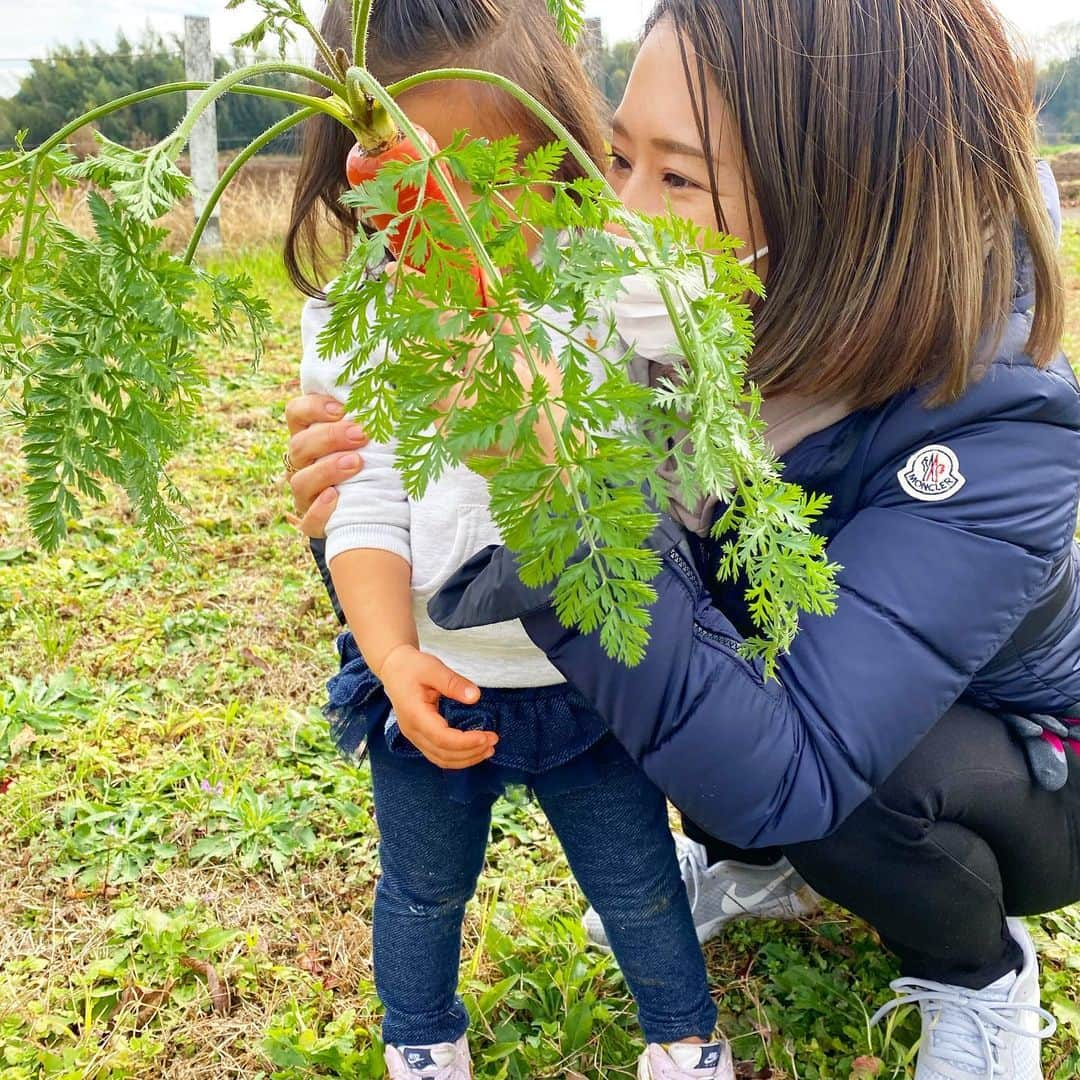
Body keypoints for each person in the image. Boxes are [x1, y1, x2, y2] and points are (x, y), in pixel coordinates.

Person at [287, 0, 1080, 1077]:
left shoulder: (1004, 422)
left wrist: (562, 483)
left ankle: (979, 975)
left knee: (841, 776)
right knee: (692, 665)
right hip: (805, 685)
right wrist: (356, 507)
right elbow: (423, 500)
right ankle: (757, 870)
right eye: (617, 159)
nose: (615, 220)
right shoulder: (657, 304)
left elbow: (791, 763)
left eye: (678, 178)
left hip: (1018, 752)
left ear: (850, 198)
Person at [289, 2, 735, 1078]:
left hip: (590, 676)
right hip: (436, 680)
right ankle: (423, 1043)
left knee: (635, 881)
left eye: (490, 196)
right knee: (423, 886)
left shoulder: (605, 285)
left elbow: (696, 375)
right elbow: (363, 497)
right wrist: (390, 655)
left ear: (564, 171)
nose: (451, 235)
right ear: (364, 179)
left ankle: (685, 1044)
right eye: (411, 199)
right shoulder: (358, 310)